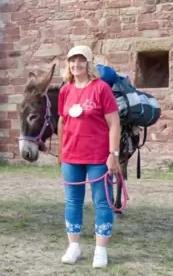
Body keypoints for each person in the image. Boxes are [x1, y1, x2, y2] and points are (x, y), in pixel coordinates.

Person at [57, 45, 121, 268]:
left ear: (89, 63)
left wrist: (113, 154)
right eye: (72, 61)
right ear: (68, 65)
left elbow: (114, 123)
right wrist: (60, 153)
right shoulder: (65, 90)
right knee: (72, 201)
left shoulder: (101, 88)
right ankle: (73, 247)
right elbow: (62, 122)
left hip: (98, 157)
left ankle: (100, 251)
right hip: (71, 156)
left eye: (81, 60)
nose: (76, 65)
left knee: (102, 201)